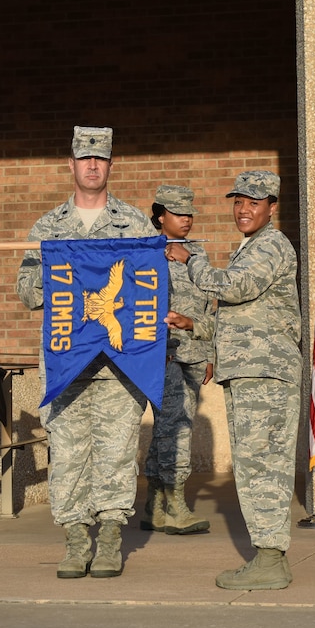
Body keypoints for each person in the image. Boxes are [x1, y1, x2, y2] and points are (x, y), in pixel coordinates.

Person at [16, 126, 157, 579]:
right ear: (71, 165)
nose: (92, 165)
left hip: (121, 362)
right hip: (66, 361)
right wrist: (56, 273)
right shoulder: (48, 227)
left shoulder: (135, 225)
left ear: (111, 165)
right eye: (84, 158)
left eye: (100, 159)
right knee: (70, 454)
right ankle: (77, 542)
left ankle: (112, 539)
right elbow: (27, 293)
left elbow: (154, 290)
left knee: (116, 451)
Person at [165, 170, 301, 590]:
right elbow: (242, 318)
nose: (243, 209)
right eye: (238, 201)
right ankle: (267, 555)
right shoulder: (252, 248)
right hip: (250, 371)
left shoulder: (271, 246)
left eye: (254, 202)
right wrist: (195, 325)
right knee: (253, 464)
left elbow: (234, 287)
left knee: (263, 465)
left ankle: (270, 559)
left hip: (264, 374)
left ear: (272, 208)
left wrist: (193, 259)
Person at [140, 184, 214, 536]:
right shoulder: (144, 253)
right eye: (179, 213)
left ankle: (154, 505)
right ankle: (176, 503)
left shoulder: (197, 253)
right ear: (160, 216)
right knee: (177, 427)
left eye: (190, 214)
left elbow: (210, 305)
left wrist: (209, 351)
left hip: (194, 353)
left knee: (169, 428)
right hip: (163, 354)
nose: (187, 220)